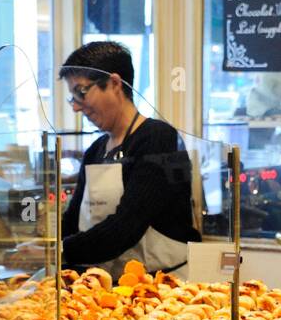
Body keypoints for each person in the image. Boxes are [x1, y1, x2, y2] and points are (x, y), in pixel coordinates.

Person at [59, 41, 198, 277]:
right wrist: (45, 244)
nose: (76, 107)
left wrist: (59, 250)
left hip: (161, 286)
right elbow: (72, 221)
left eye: (81, 92)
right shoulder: (96, 150)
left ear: (114, 83)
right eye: (72, 97)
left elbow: (127, 226)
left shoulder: (158, 138)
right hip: (108, 283)